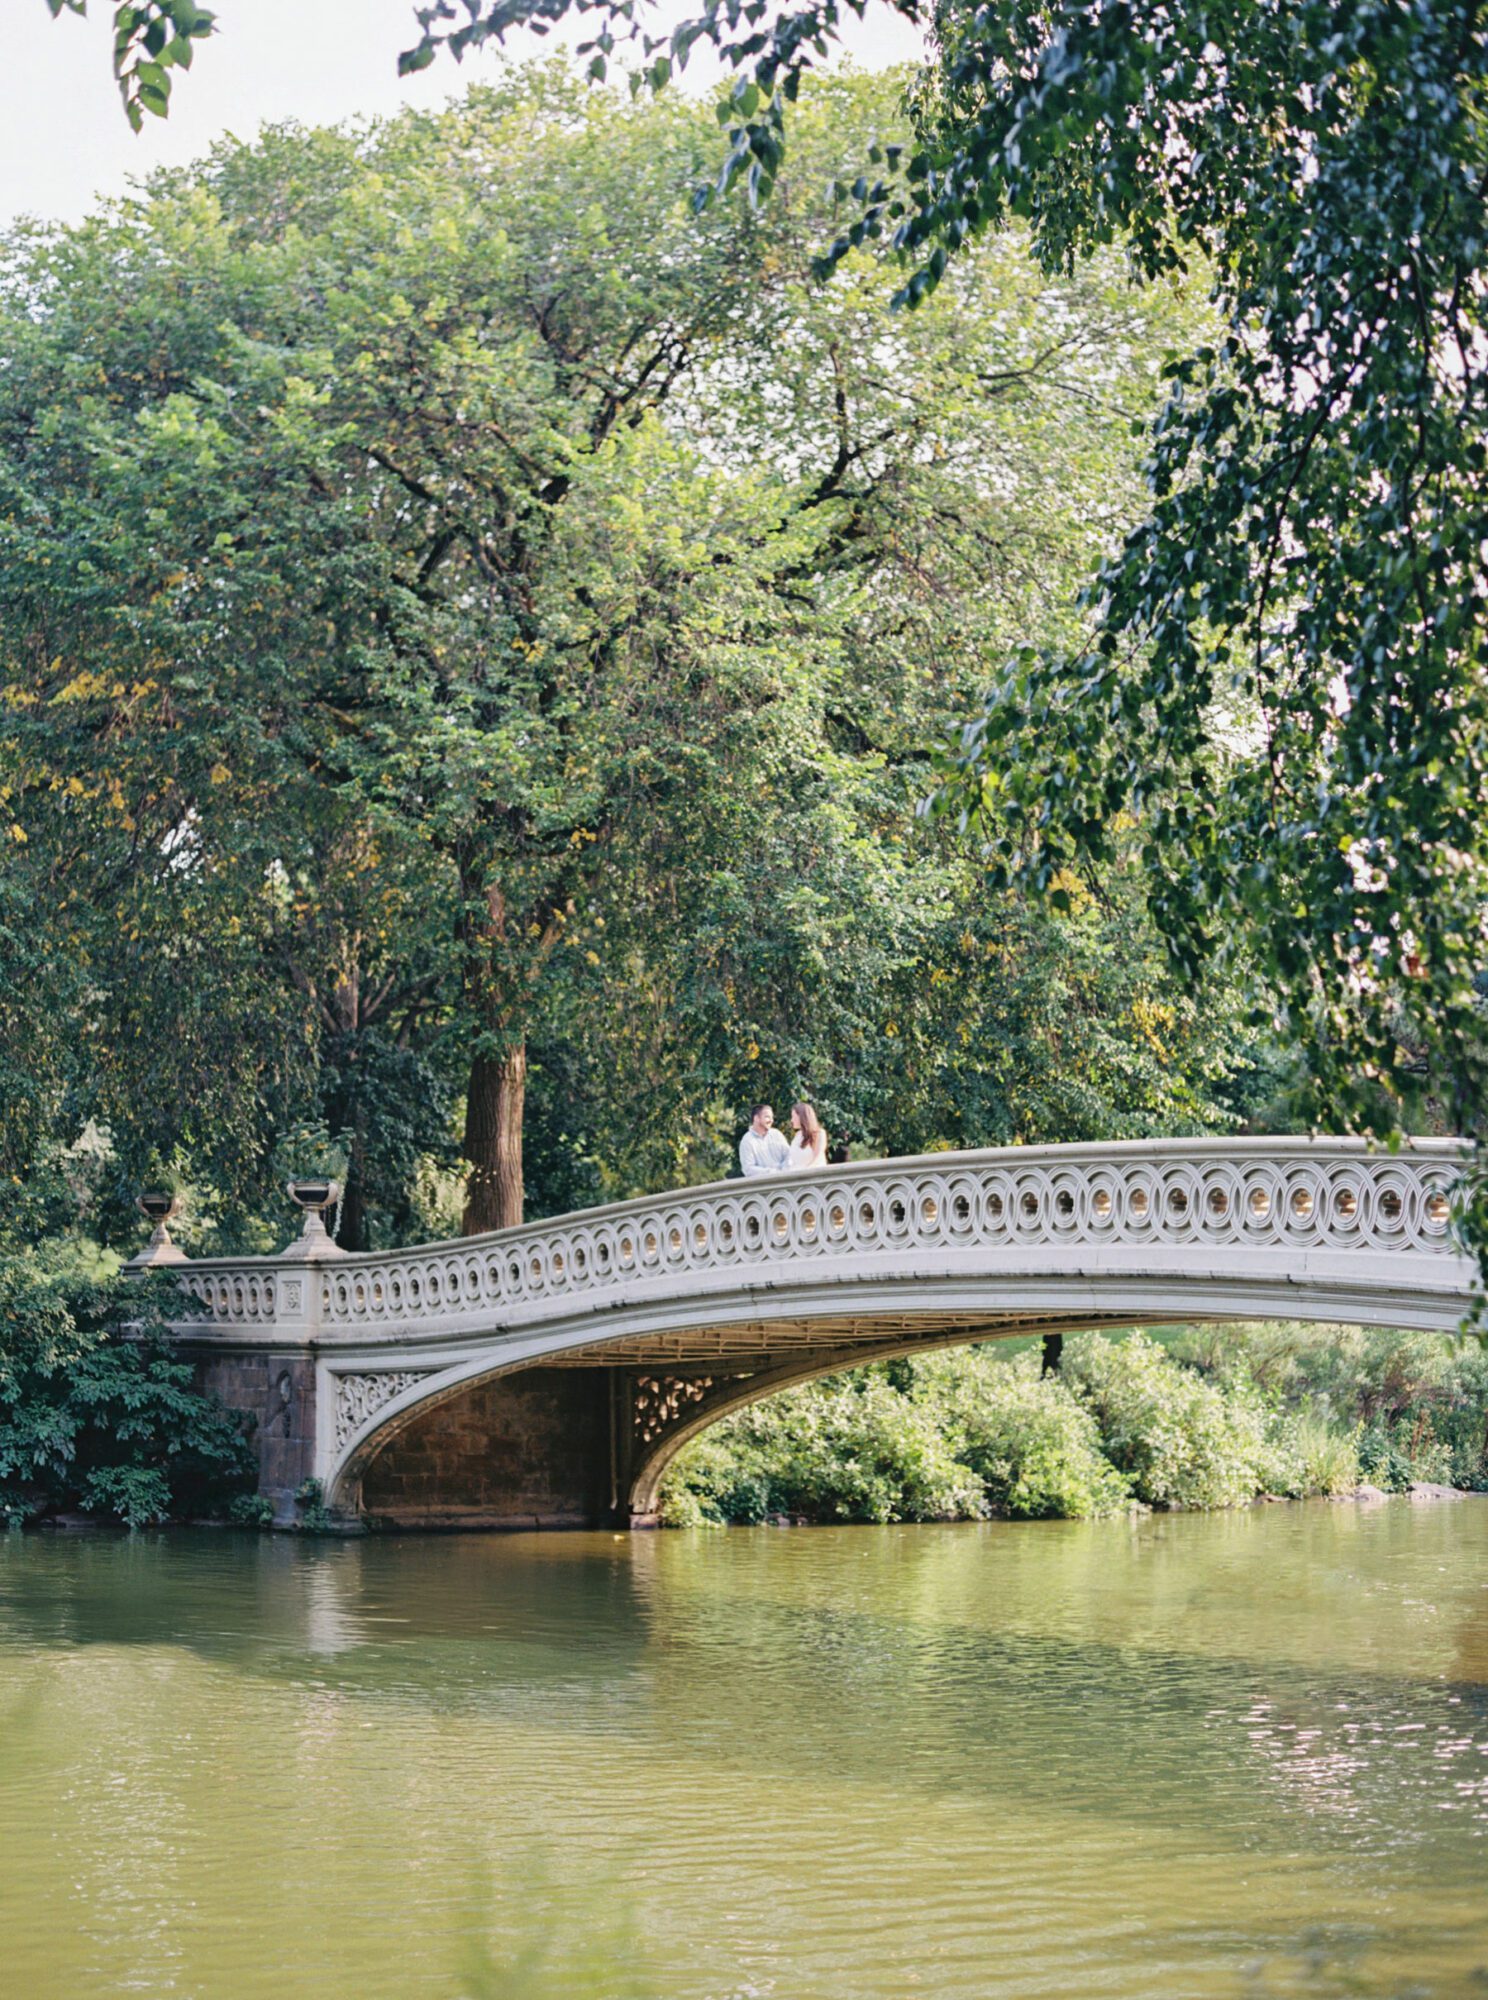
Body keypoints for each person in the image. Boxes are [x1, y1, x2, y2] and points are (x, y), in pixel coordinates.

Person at [739, 1102, 790, 1177]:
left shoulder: (777, 1134)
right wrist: (773, 1173)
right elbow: (748, 1169)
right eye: (767, 1117)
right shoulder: (747, 1141)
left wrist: (783, 1172)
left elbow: (789, 1155)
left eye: (772, 1117)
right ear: (756, 1118)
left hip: (785, 1180)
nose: (771, 1120)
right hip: (764, 1186)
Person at [787, 1101, 828, 1171]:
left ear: (801, 1117)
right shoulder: (797, 1135)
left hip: (813, 1175)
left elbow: (817, 1158)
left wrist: (805, 1173)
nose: (792, 1120)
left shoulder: (819, 1133)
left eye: (793, 1117)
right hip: (796, 1176)